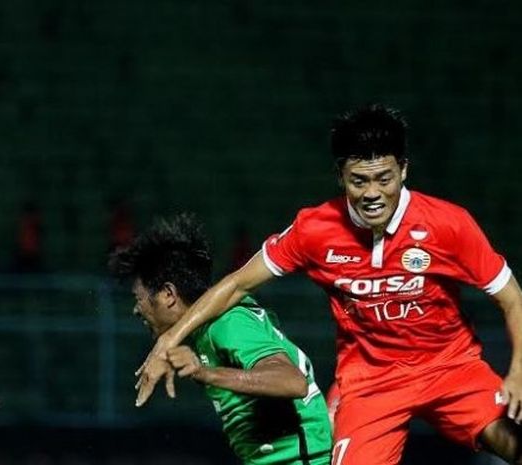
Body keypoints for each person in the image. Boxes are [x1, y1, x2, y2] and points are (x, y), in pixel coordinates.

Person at [135, 104, 522, 465]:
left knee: (510, 442)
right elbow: (235, 285)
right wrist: (169, 340)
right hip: (372, 383)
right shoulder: (314, 230)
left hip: (449, 366)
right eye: (359, 181)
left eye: (383, 179)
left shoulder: (449, 224)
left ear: (403, 169)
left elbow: (512, 298)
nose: (372, 193)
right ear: (340, 176)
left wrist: (519, 370)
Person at [109, 214, 332, 464]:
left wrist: (204, 373)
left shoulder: (226, 323)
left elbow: (292, 382)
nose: (135, 309)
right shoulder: (202, 332)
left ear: (168, 294)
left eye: (138, 298)